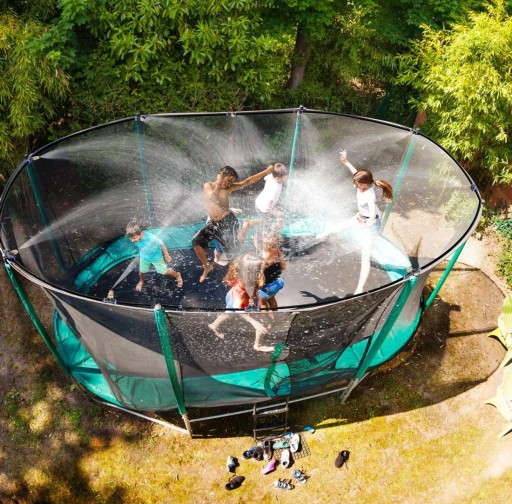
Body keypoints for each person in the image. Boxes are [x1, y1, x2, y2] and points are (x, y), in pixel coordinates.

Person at [317, 149, 393, 294]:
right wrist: (346, 161)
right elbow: (355, 172)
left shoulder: (370, 196)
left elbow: (372, 219)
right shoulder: (365, 183)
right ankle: (324, 234)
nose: (354, 185)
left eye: (356, 183)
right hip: (361, 216)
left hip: (370, 224)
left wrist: (363, 224)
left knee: (365, 257)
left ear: (364, 184)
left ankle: (360, 288)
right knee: (340, 226)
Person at [192, 164, 274, 282]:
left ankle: (246, 224)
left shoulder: (228, 188)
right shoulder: (208, 186)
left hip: (228, 222)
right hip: (214, 223)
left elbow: (247, 181)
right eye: (227, 180)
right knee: (196, 242)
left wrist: (266, 171)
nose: (228, 184)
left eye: (231, 182)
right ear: (220, 176)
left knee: (235, 250)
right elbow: (213, 197)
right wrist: (219, 181)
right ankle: (207, 266)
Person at [208, 254, 274, 352]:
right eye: (259, 269)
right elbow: (237, 308)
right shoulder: (243, 290)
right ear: (251, 272)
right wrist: (254, 322)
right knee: (261, 323)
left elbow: (246, 258)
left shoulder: (242, 274)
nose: (262, 271)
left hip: (231, 295)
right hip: (237, 301)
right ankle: (258, 346)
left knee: (228, 313)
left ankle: (214, 324)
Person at [126, 220, 183, 292]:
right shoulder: (135, 237)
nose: (132, 240)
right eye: (130, 238)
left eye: (134, 238)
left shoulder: (151, 238)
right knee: (142, 271)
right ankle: (141, 281)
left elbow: (162, 245)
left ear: (139, 233)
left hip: (156, 258)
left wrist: (167, 255)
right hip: (144, 257)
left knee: (164, 272)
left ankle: (177, 275)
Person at [258, 233, 286, 311]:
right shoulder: (278, 252)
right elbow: (284, 267)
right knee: (271, 298)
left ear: (265, 246)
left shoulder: (265, 260)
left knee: (262, 302)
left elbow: (260, 276)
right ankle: (275, 314)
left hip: (268, 286)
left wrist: (258, 286)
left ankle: (266, 318)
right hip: (279, 282)